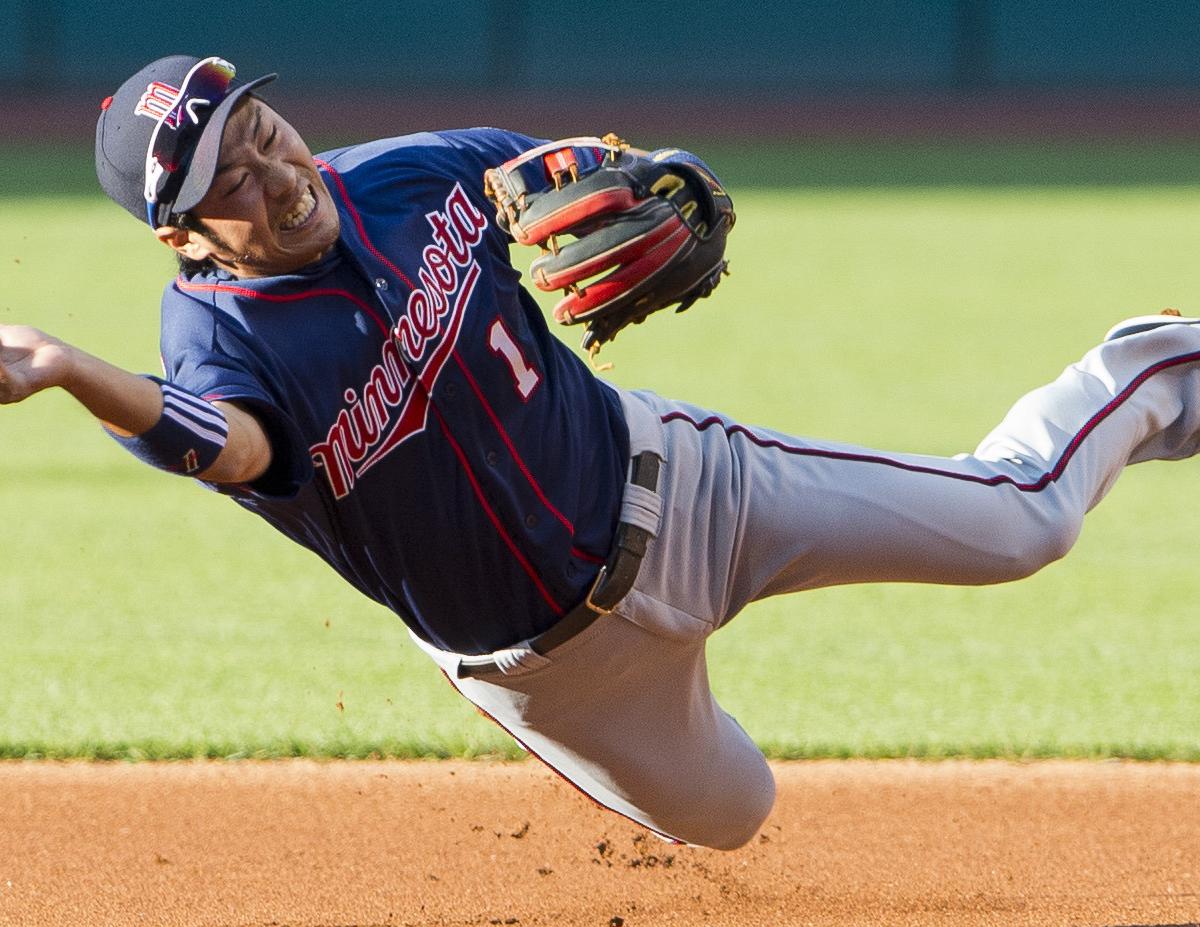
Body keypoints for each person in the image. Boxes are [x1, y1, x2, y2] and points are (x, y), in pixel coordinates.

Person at [4, 56, 1200, 851]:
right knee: (733, 816)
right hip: (549, 670)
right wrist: (67, 367)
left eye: (268, 135)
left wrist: (621, 174)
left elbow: (560, 167)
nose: (278, 177)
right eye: (234, 183)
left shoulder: (404, 175)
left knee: (1022, 522)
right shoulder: (215, 341)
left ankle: (1155, 368)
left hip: (680, 491)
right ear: (184, 235)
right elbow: (221, 442)